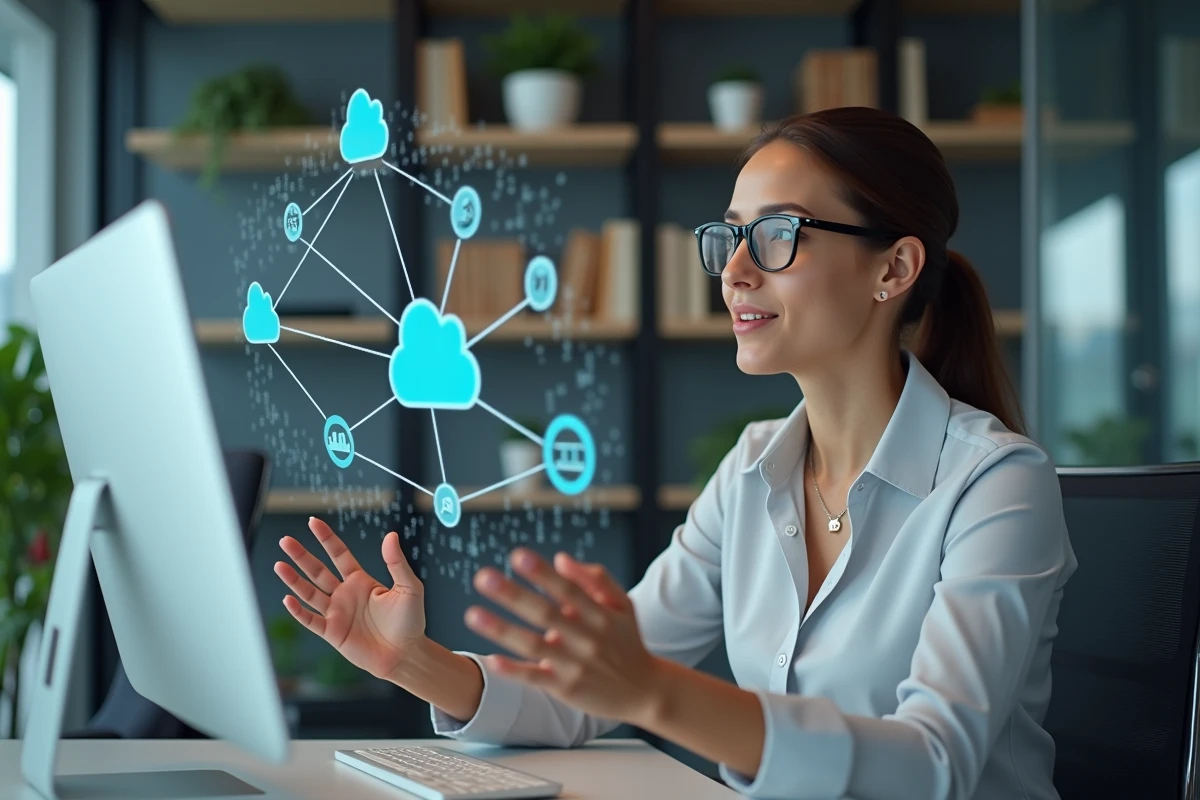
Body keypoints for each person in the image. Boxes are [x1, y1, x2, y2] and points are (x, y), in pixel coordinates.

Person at [274, 106, 1078, 800]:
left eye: (777, 236)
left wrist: (656, 693)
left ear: (893, 268)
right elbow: (587, 692)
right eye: (731, 237)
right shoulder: (753, 470)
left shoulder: (997, 484)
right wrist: (412, 661)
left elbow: (934, 765)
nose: (735, 272)